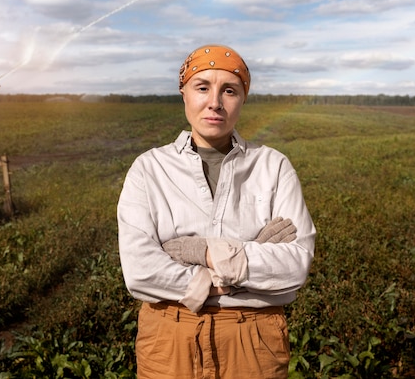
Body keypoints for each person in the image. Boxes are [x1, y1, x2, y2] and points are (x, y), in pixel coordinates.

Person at [117, 44, 316, 379]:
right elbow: (140, 272)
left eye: (229, 90)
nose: (215, 102)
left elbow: (294, 267)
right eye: (202, 87)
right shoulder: (149, 169)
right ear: (184, 94)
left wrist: (203, 253)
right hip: (168, 338)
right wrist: (247, 256)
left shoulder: (273, 166)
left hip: (253, 340)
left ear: (243, 98)